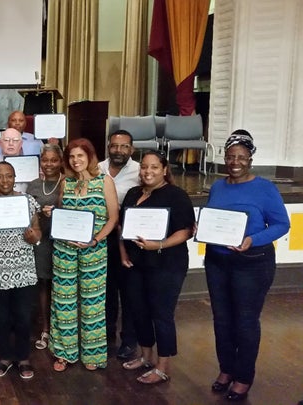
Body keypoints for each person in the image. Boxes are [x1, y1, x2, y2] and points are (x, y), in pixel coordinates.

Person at [204, 130, 290, 401]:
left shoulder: (265, 188)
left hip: (252, 264)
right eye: (231, 157)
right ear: (225, 158)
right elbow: (214, 218)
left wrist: (252, 239)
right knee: (221, 320)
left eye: (241, 157)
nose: (235, 162)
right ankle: (226, 369)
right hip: (217, 262)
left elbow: (281, 224)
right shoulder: (218, 186)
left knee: (245, 322)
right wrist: (202, 228)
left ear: (250, 159)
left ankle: (243, 376)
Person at [118, 151, 195, 385]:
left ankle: (163, 366)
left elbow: (186, 231)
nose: (147, 172)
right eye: (144, 167)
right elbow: (123, 226)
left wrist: (158, 245)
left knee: (161, 315)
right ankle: (146, 356)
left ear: (164, 170)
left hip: (166, 264)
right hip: (135, 263)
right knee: (138, 311)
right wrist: (123, 253)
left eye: (153, 167)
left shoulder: (176, 195)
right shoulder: (133, 193)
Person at [49, 138, 119, 372]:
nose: (76, 160)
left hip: (94, 250)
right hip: (64, 249)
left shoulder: (104, 181)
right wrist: (53, 214)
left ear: (90, 157)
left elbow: (113, 218)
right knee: (64, 301)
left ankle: (93, 353)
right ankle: (64, 352)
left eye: (80, 155)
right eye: (71, 156)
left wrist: (95, 239)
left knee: (92, 303)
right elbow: (62, 214)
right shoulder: (65, 183)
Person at [0, 161, 41, 379]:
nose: (5, 181)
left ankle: (23, 358)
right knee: (1, 317)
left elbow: (37, 231)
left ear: (15, 177)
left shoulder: (28, 201)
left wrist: (34, 237)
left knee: (22, 316)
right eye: (0, 177)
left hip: (23, 269)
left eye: (9, 176)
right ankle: (4, 357)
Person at [98, 129, 141, 361]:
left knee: (129, 291)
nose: (118, 150)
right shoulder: (98, 168)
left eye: (124, 146)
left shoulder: (139, 172)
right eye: (115, 145)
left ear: (131, 149)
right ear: (108, 146)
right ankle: (106, 336)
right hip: (103, 236)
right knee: (107, 291)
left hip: (128, 238)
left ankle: (128, 340)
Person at [26, 143, 63, 351]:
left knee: (62, 286)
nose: (49, 164)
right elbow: (28, 213)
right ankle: (46, 329)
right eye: (45, 160)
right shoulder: (32, 185)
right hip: (42, 241)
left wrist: (57, 210)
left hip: (63, 242)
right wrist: (40, 213)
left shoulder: (68, 182)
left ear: (61, 162)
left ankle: (62, 329)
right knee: (43, 285)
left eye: (54, 160)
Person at [0, 128, 29, 193]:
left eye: (15, 140)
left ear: (21, 144)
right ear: (0, 143)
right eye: (6, 140)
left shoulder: (30, 164)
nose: (11, 143)